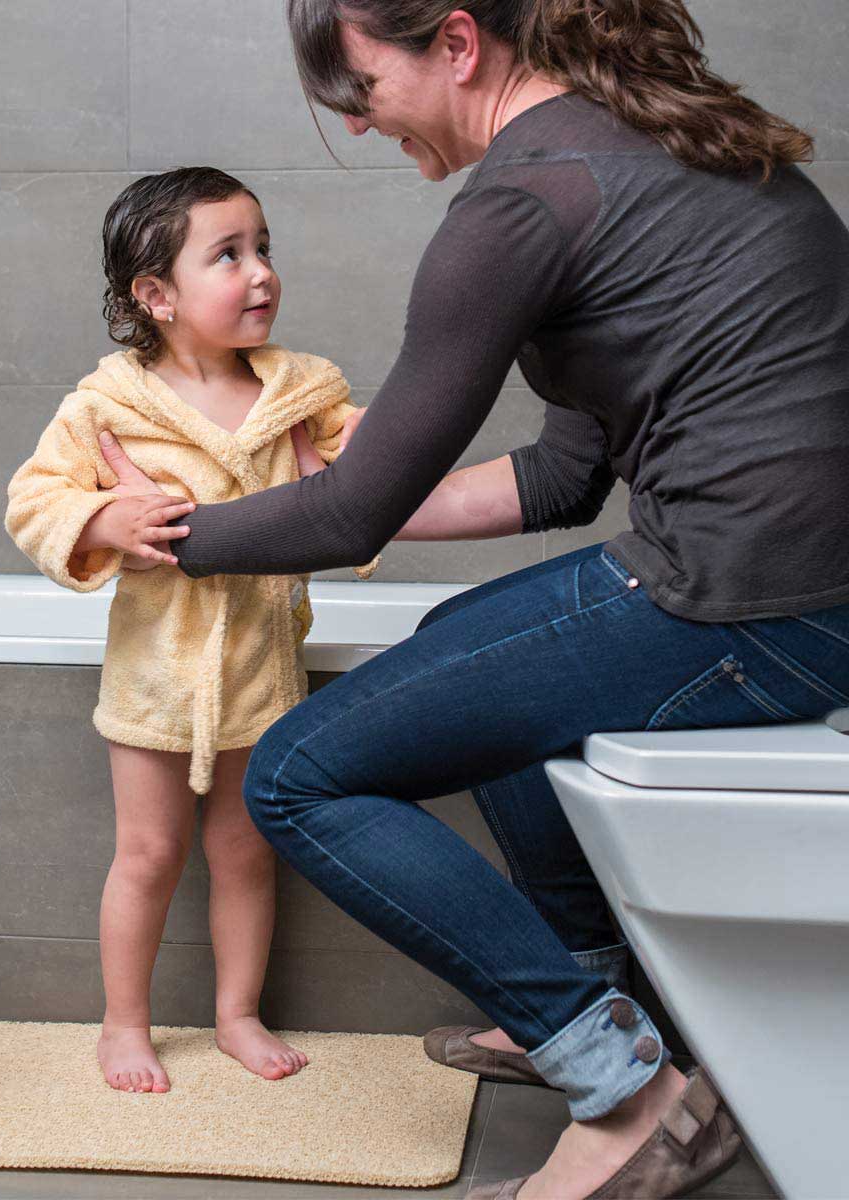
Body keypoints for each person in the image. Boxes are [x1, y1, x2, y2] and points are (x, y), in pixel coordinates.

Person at [86, 0, 849, 1196]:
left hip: (756, 599)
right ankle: (603, 1003)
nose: (355, 120)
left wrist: (168, 535)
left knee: (295, 775)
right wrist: (331, 489)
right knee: (464, 648)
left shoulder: (520, 203)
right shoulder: (645, 144)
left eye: (362, 87)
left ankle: (627, 1086)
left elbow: (351, 521)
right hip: (805, 589)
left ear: (455, 43)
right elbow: (562, 478)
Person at [3, 167, 377, 1097]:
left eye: (264, 248)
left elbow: (378, 475)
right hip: (155, 676)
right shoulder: (107, 406)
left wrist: (337, 475)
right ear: (157, 296)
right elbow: (34, 501)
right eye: (228, 255)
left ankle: (237, 1015)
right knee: (148, 854)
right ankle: (123, 1024)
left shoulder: (300, 392)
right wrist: (105, 520)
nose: (260, 272)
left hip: (260, 665)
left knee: (246, 852)